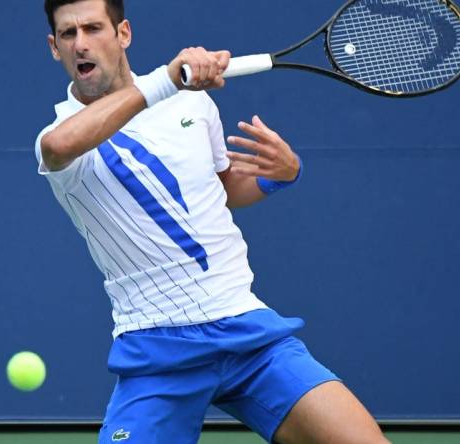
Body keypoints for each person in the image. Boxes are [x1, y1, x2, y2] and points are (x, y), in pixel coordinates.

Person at [36, 1, 390, 443]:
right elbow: (59, 146)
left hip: (247, 333)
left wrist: (277, 176)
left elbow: (219, 189)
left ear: (123, 33)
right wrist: (167, 80)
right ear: (55, 47)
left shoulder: (192, 103)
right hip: (158, 352)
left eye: (92, 28)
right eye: (68, 35)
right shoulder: (61, 134)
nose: (81, 44)